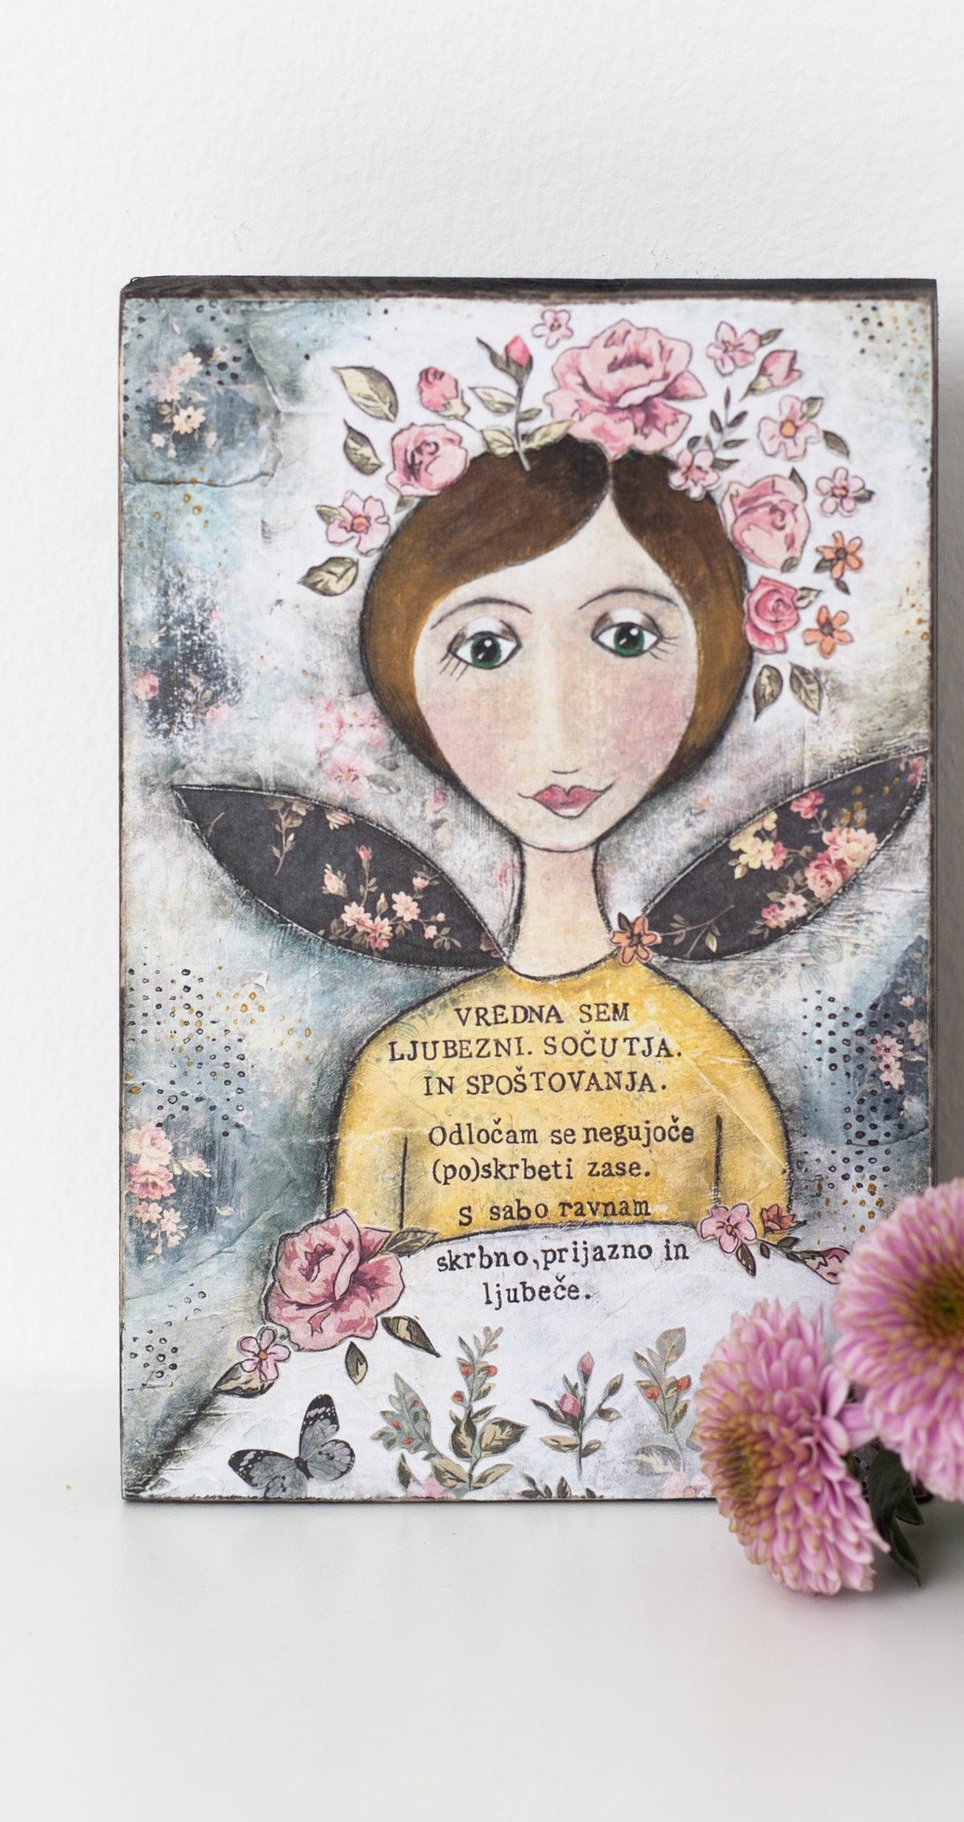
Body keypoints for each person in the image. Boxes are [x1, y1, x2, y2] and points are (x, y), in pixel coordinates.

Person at [327, 440, 789, 1242]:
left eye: (627, 636)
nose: (559, 721)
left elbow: (770, 1291)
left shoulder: (707, 1064)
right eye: (486, 647)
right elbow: (355, 1301)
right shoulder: (397, 1073)